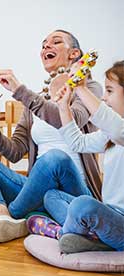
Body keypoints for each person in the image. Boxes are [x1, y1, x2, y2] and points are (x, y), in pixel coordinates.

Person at [0, 29, 103, 243]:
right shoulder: (35, 100)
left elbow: (74, 120)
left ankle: (16, 215)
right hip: (35, 188)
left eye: (55, 42)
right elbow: (15, 152)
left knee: (55, 158)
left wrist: (19, 90)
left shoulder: (89, 89)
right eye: (44, 44)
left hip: (73, 190)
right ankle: (4, 217)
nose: (46, 46)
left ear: (74, 53)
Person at [28, 60, 124, 253]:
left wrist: (80, 87)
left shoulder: (117, 130)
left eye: (110, 91)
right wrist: (64, 107)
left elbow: (114, 125)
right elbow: (78, 143)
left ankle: (64, 233)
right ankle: (89, 236)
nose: (104, 98)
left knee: (83, 205)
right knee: (52, 195)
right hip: (109, 214)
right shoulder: (111, 135)